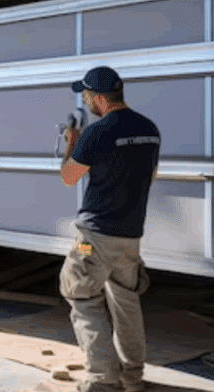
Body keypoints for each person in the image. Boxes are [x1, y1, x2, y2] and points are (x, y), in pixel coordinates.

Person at [58, 65, 161, 392]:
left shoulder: (96, 133)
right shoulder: (150, 129)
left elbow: (69, 177)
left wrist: (72, 143)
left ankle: (102, 380)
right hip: (130, 238)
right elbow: (151, 175)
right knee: (126, 301)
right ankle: (132, 378)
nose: (86, 101)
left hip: (93, 238)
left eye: (87, 95)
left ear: (99, 98)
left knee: (82, 295)